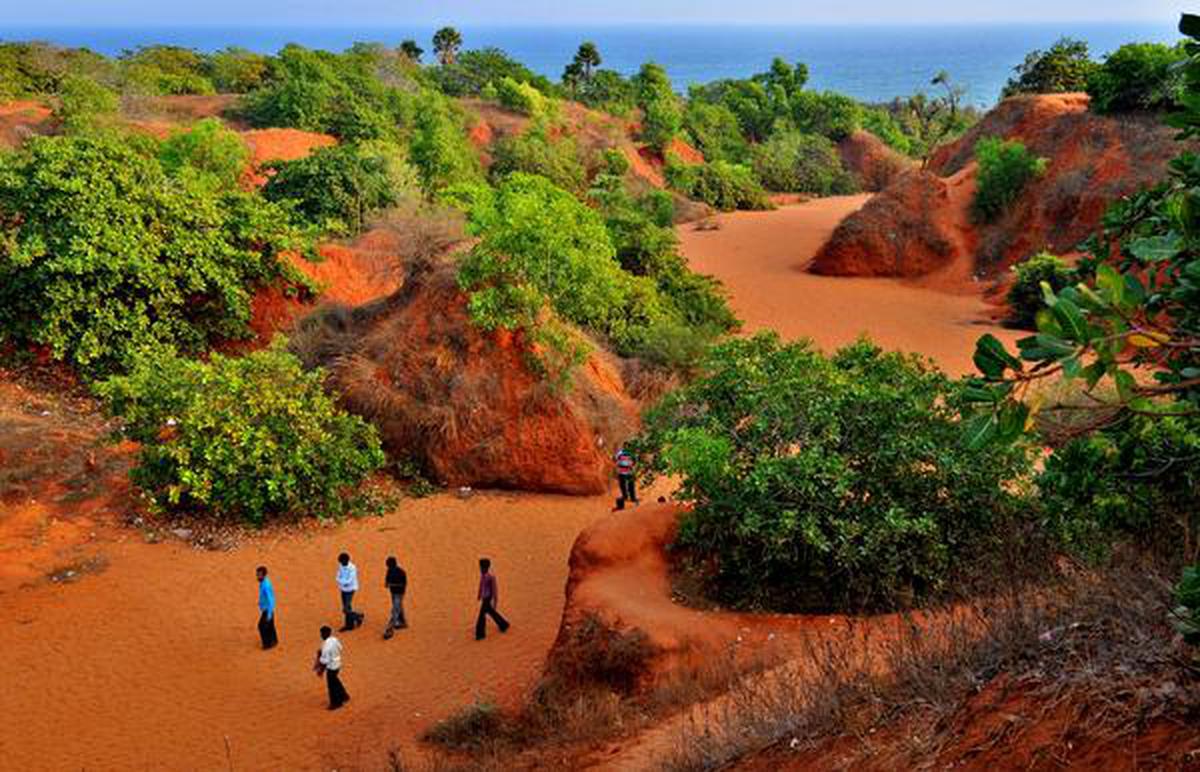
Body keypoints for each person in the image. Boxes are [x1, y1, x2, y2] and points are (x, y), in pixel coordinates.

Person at [475, 557, 510, 640]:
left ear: (486, 567)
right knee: (491, 613)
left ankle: (480, 634)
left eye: (481, 567)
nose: (480, 569)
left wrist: (495, 601)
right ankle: (503, 624)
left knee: (481, 616)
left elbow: (494, 590)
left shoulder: (490, 577)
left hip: (487, 599)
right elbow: (481, 585)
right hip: (485, 598)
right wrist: (479, 595)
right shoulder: (483, 576)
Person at [316, 625, 350, 710]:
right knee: (336, 681)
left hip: (331, 667)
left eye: (321, 634)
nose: (321, 635)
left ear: (324, 634)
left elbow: (325, 661)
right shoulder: (334, 639)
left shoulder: (326, 647)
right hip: (338, 664)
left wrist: (320, 670)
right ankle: (344, 696)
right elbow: (340, 648)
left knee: (331, 686)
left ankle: (336, 703)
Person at [336, 552, 364, 632]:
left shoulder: (352, 568)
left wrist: (342, 582)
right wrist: (342, 582)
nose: (341, 564)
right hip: (343, 589)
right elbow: (337, 577)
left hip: (350, 590)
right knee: (347, 607)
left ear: (347, 561)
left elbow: (350, 580)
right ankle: (349, 625)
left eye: (342, 562)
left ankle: (358, 616)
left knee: (346, 609)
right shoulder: (341, 566)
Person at [382, 556, 408, 639]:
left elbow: (403, 584)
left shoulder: (401, 572)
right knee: (399, 607)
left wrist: (391, 585)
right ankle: (403, 622)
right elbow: (387, 580)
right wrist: (387, 583)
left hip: (399, 593)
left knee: (395, 610)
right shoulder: (389, 570)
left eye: (388, 565)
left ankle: (389, 628)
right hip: (393, 592)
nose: (387, 567)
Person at [256, 565, 278, 650]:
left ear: (264, 575)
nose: (257, 576)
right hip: (267, 609)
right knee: (270, 625)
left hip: (268, 610)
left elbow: (271, 600)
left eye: (259, 575)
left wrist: (269, 614)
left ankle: (267, 644)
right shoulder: (264, 583)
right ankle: (274, 641)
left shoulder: (266, 585)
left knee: (261, 626)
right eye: (257, 574)